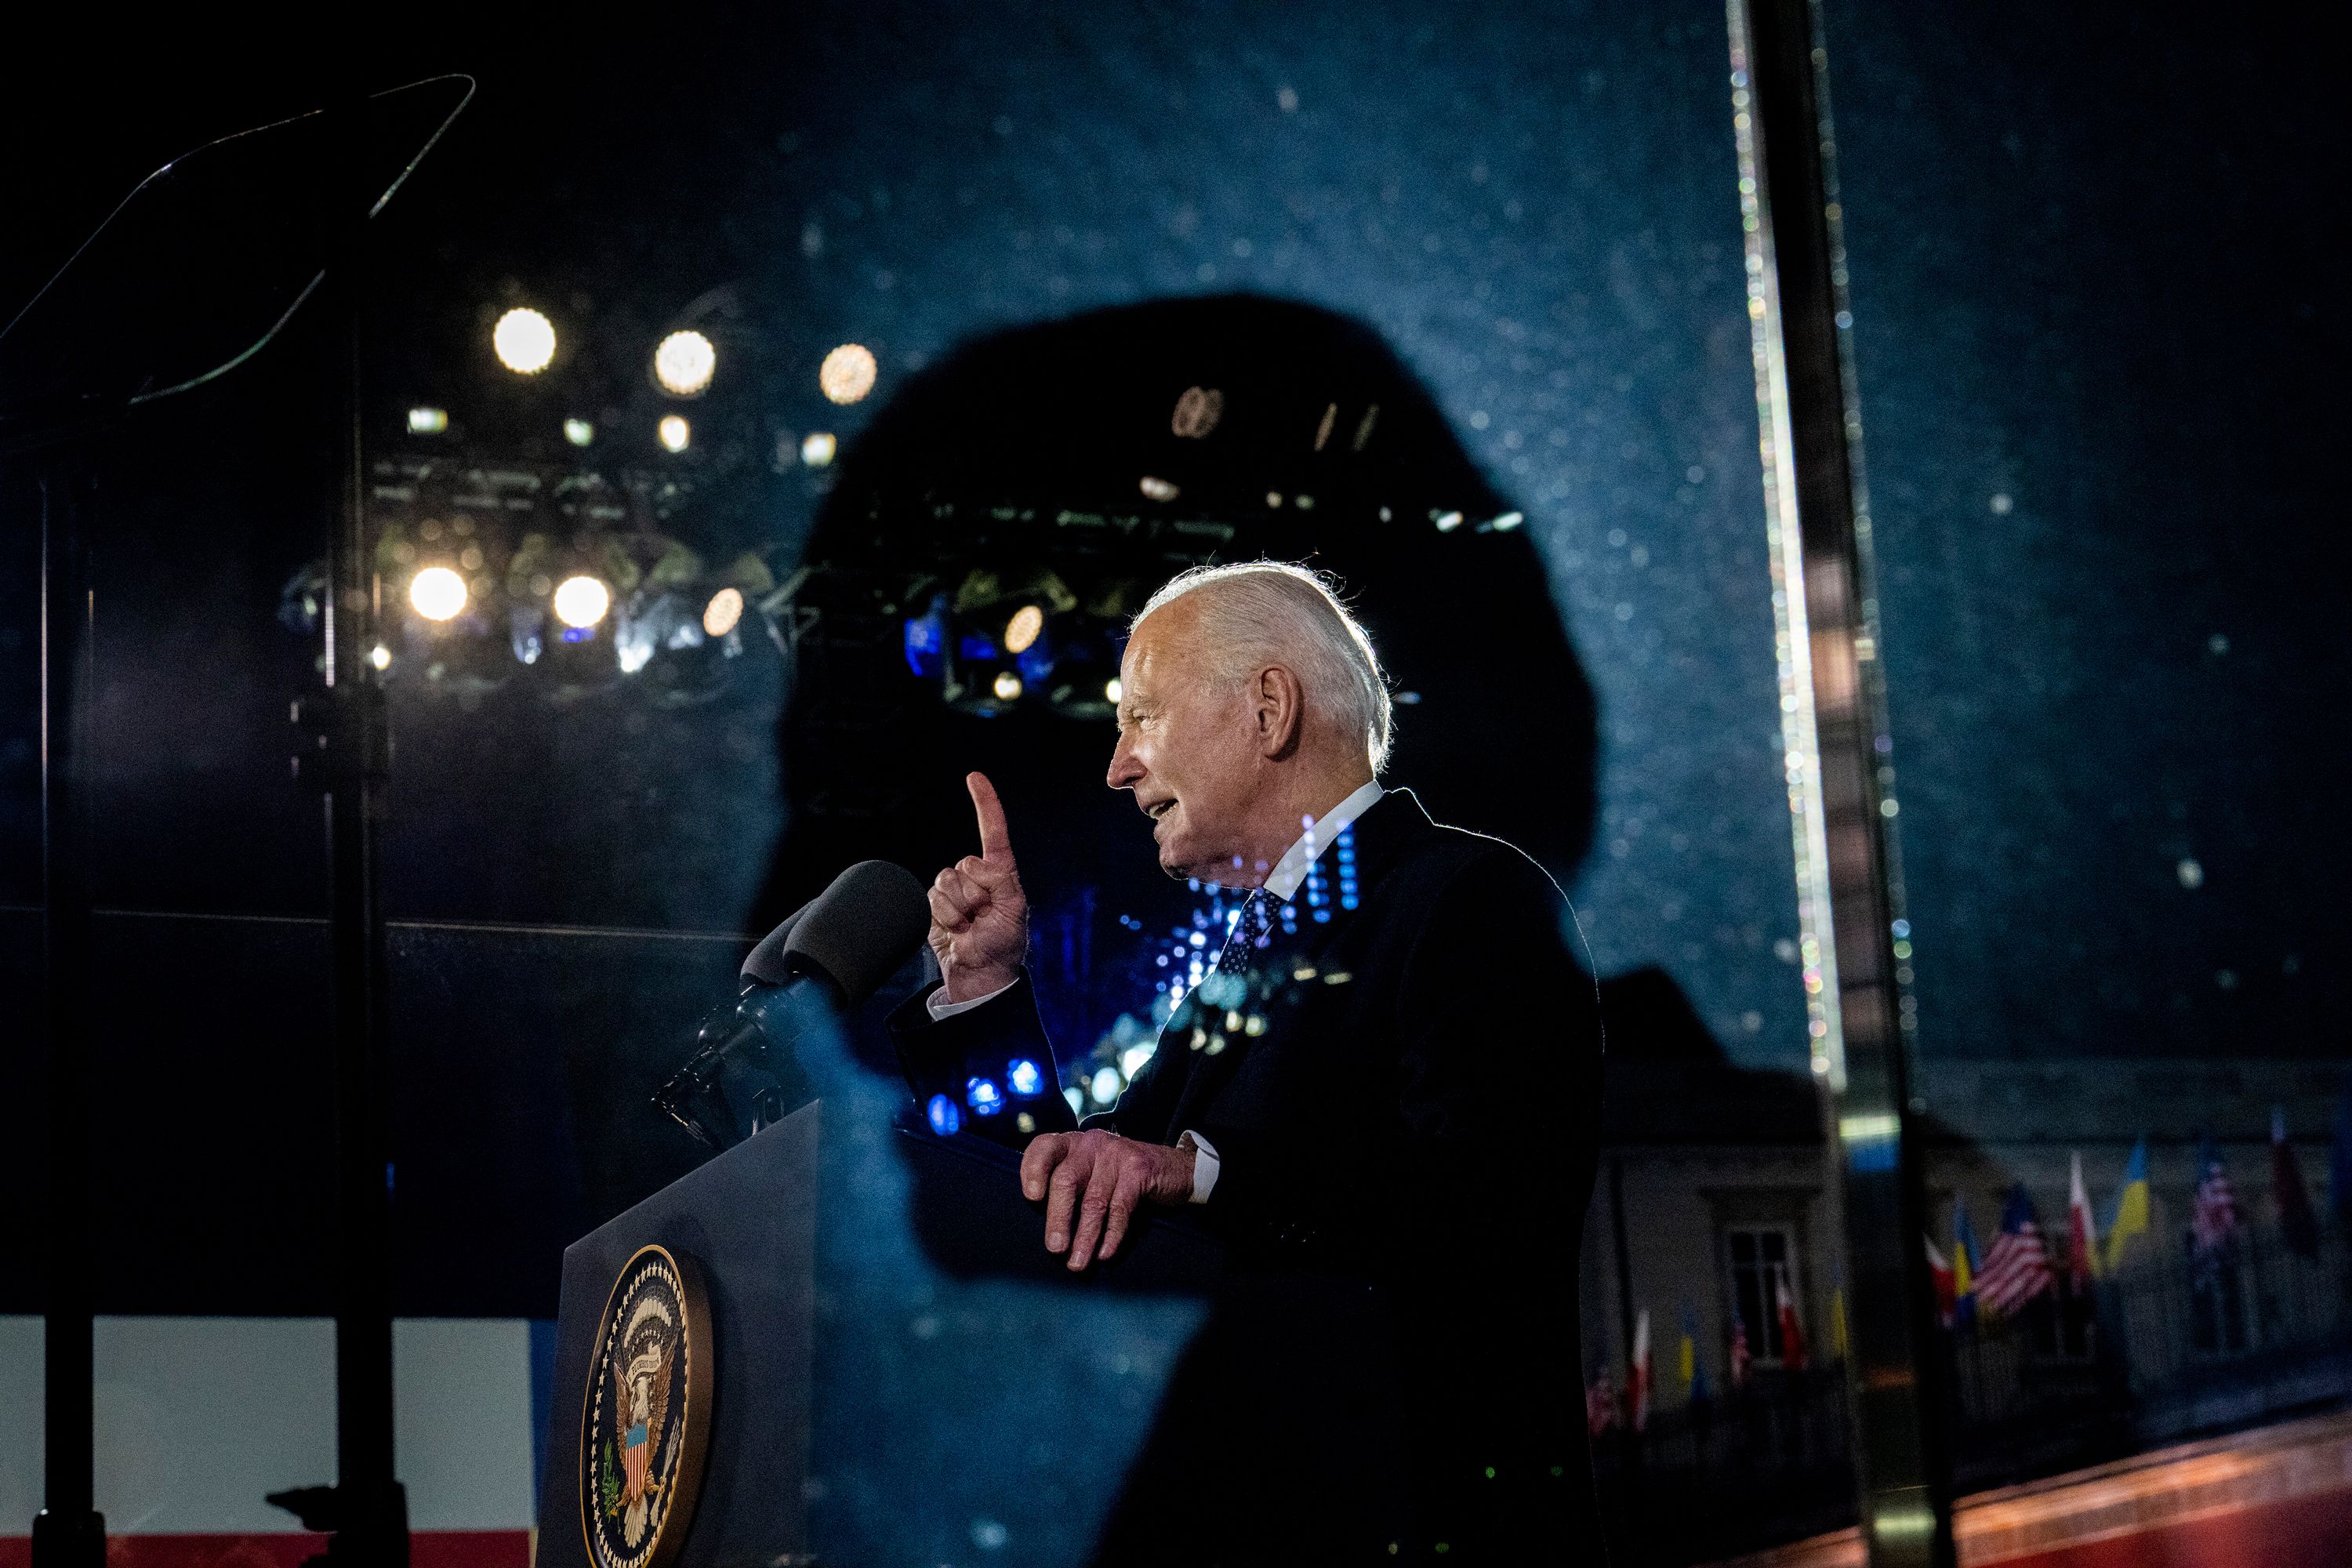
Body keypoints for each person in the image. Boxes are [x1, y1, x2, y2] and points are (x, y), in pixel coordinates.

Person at [891, 561, 1606, 1563]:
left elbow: (1483, 1209)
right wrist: (985, 994)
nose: (1117, 766)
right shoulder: (1251, 960)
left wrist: (1204, 1171)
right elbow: (1076, 1205)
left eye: (1142, 714)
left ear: (1269, 707)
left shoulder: (1471, 898)